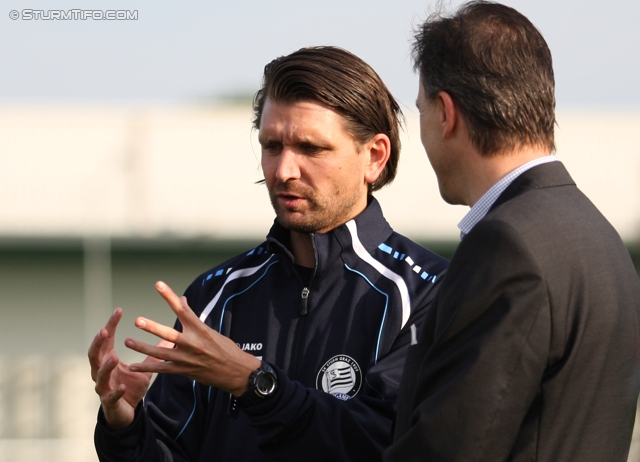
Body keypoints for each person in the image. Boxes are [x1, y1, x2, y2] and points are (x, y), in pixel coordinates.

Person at [88, 46, 448, 462]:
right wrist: (125, 426)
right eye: (272, 145)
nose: (283, 170)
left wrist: (254, 383)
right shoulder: (214, 296)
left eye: (311, 148)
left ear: (375, 157)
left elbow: (390, 443)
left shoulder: (429, 293)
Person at [384, 2, 640, 461]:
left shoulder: (507, 246)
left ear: (446, 113)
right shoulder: (599, 236)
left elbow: (451, 448)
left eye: (420, 109)